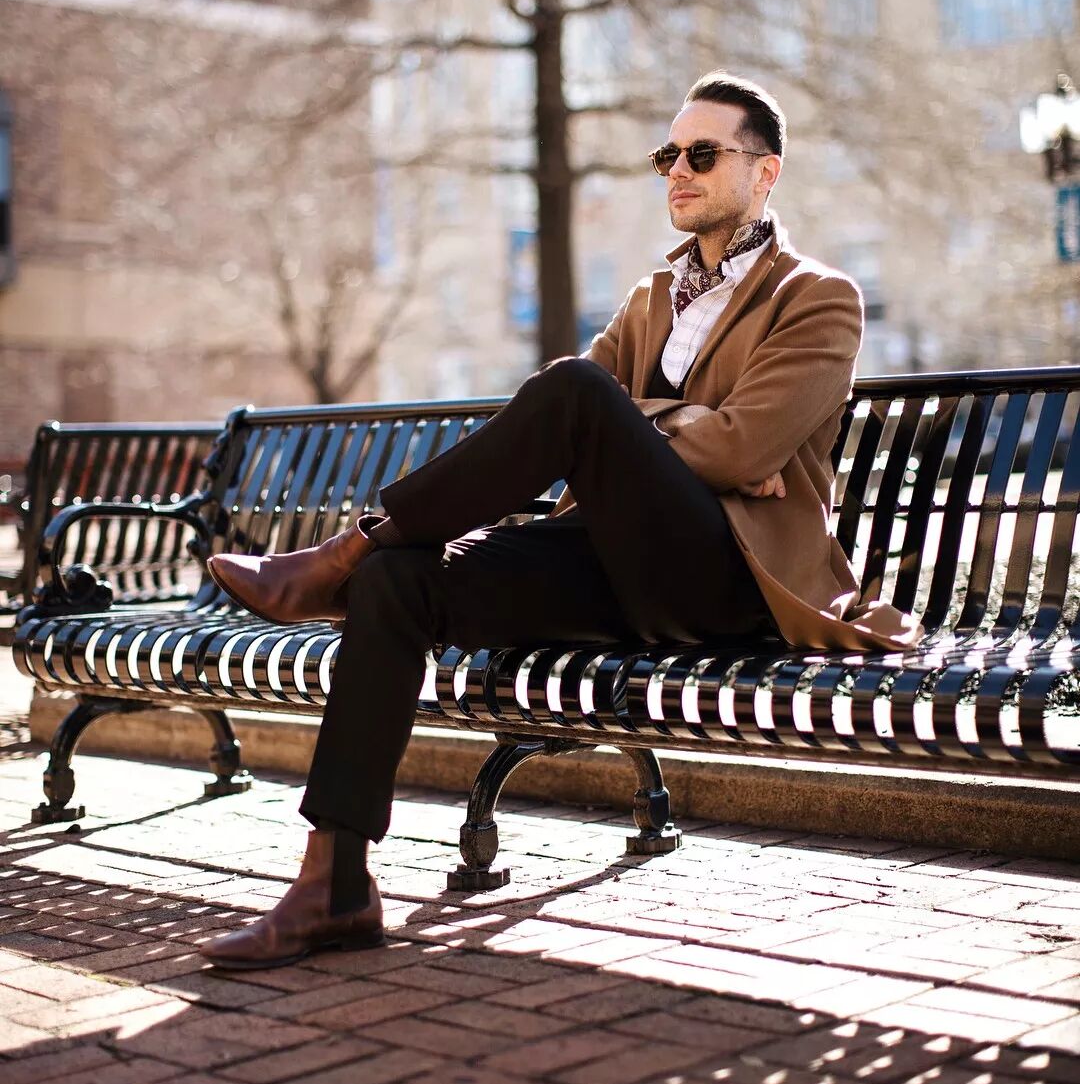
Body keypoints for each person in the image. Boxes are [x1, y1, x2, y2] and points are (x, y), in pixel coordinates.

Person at [203, 70, 920, 971]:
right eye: (668, 154)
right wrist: (673, 428)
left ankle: (341, 549)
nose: (678, 170)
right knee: (398, 579)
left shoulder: (817, 297)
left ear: (765, 172)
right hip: (612, 563)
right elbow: (585, 429)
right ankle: (334, 883)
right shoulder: (650, 299)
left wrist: (635, 427)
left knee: (579, 390)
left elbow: (739, 449)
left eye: (702, 154)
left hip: (728, 580)